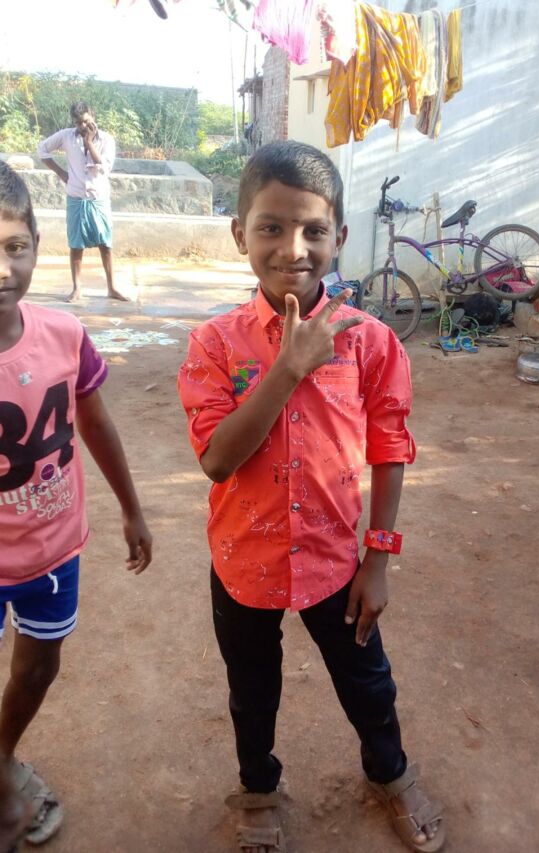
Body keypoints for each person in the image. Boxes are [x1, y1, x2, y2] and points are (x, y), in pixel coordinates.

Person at [178, 141, 445, 853]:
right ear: (240, 234)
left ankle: (390, 773)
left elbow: (390, 450)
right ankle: (258, 790)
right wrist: (290, 367)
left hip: (334, 562)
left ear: (339, 236)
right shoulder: (214, 344)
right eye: (270, 227)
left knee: (368, 681)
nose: (292, 248)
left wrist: (378, 559)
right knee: (252, 692)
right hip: (243, 562)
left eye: (313, 230)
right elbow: (217, 459)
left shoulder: (371, 343)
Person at [0, 161, 152, 849]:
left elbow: (94, 421)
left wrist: (132, 508)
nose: (3, 268)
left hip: (54, 551)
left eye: (15, 246)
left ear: (37, 245)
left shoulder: (64, 335)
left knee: (39, 664)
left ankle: (2, 759)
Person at [37, 101, 128, 303]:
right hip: (76, 197)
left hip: (99, 198)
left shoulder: (107, 140)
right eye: (78, 123)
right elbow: (42, 150)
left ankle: (112, 287)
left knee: (105, 244)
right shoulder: (66, 136)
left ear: (92, 115)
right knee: (76, 244)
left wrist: (89, 142)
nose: (83, 126)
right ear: (74, 122)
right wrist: (61, 173)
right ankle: (77, 288)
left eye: (86, 121)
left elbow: (104, 167)